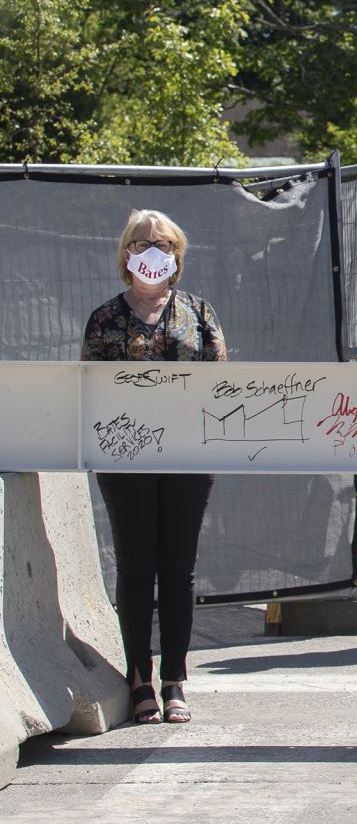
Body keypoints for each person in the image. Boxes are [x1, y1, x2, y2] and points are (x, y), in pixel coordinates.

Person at [83, 209, 228, 725]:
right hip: (126, 461)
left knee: (178, 569)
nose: (152, 251)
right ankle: (139, 678)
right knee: (136, 566)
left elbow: (221, 386)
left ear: (177, 255)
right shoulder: (105, 320)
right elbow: (90, 393)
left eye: (162, 243)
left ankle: (175, 680)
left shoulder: (199, 313)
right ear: (126, 254)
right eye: (142, 242)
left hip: (189, 457)